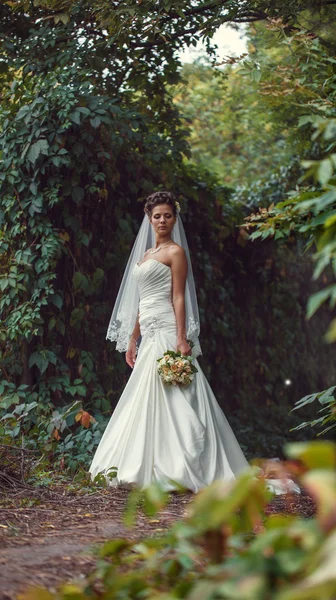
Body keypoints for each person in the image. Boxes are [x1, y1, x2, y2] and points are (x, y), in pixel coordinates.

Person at [89, 191, 250, 492]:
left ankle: (179, 466)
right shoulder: (146, 255)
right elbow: (140, 301)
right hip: (147, 330)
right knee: (146, 395)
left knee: (175, 394)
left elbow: (178, 296)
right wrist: (132, 337)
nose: (162, 220)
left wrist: (181, 338)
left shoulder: (176, 252)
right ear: (149, 220)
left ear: (175, 219)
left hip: (166, 329)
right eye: (157, 216)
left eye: (167, 215)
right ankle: (145, 465)